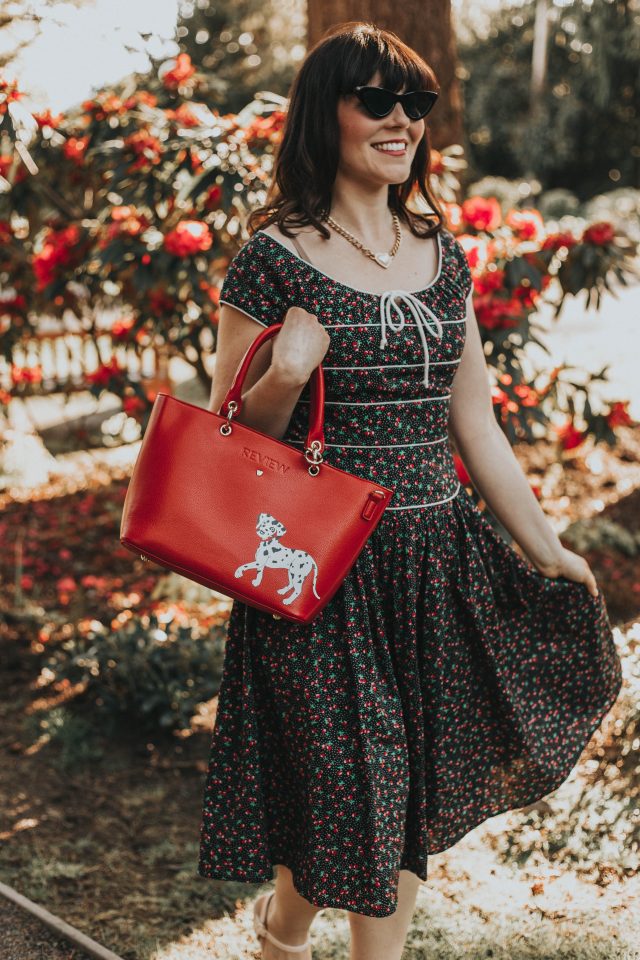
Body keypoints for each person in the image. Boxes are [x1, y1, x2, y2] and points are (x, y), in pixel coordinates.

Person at [197, 21, 623, 960]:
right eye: (377, 101)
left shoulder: (443, 254)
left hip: (435, 560)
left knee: (403, 798)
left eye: (416, 105)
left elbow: (476, 425)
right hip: (319, 569)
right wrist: (281, 372)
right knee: (352, 793)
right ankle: (280, 934)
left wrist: (546, 547)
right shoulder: (272, 258)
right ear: (328, 115)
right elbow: (233, 444)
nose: (402, 122)